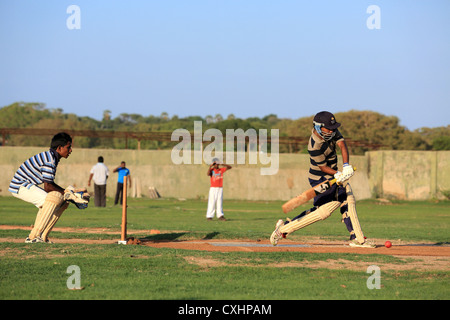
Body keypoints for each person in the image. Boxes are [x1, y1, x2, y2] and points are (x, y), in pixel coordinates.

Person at [270, 111, 375, 248]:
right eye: (328, 128)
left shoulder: (332, 131)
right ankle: (283, 230)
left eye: (333, 128)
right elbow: (322, 167)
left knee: (347, 197)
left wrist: (346, 165)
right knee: (323, 211)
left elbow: (342, 145)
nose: (332, 131)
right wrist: (338, 174)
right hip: (319, 178)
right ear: (318, 127)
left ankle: (357, 238)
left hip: (333, 175)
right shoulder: (314, 145)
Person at [8, 132, 90, 243]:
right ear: (59, 148)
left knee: (61, 202)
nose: (70, 150)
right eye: (68, 147)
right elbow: (48, 187)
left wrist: (67, 194)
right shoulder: (49, 159)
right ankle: (33, 237)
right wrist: (67, 193)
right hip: (20, 185)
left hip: (25, 184)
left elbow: (49, 184)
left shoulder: (51, 157)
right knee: (53, 199)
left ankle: (42, 236)